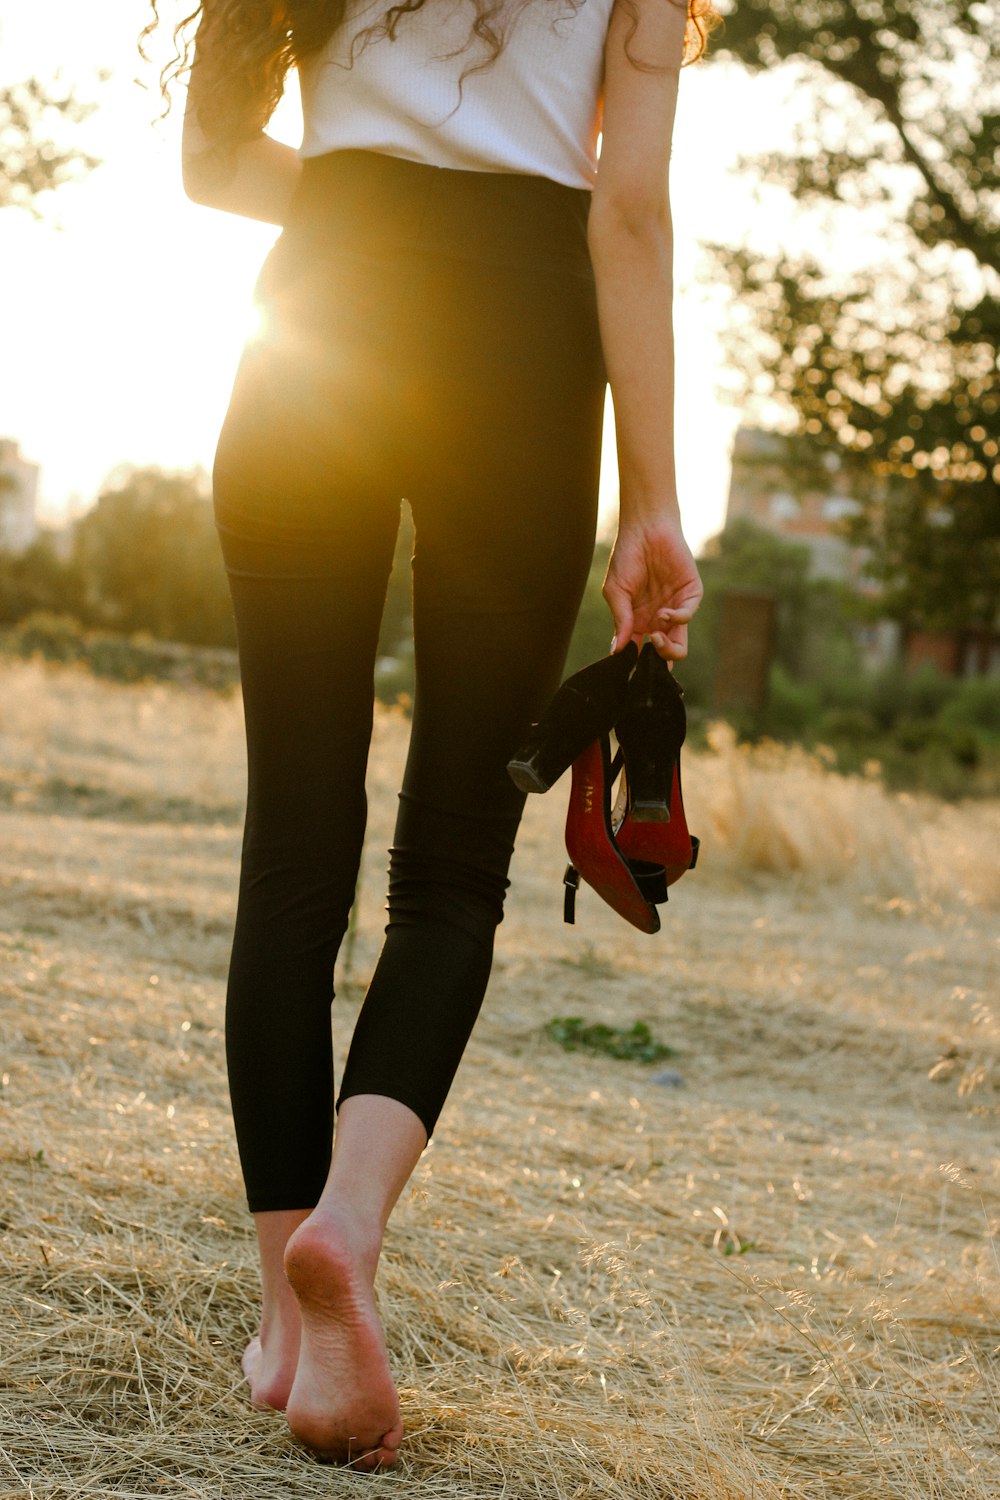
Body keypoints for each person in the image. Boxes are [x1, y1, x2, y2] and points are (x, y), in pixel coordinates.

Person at [160, 0, 712, 1469]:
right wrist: (653, 500)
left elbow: (213, 165)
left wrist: (367, 206)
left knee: (296, 842)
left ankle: (289, 1316)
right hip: (522, 359)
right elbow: (631, 221)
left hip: (318, 321)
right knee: (456, 861)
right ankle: (346, 1228)